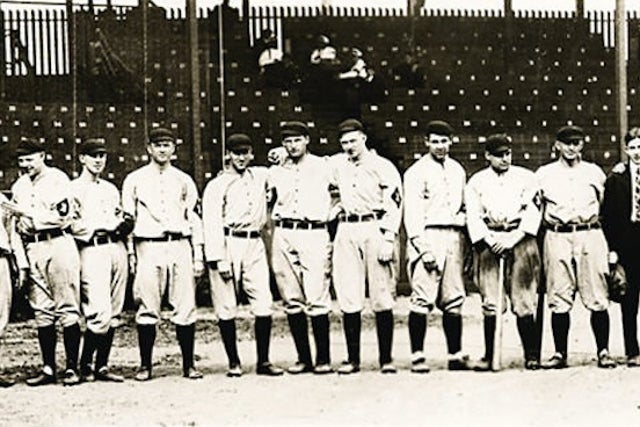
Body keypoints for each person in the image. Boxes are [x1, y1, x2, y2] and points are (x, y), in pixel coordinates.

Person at [121, 128, 205, 381]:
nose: (162, 149)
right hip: (148, 245)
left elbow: (194, 219)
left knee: (185, 306)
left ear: (174, 149)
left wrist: (198, 255)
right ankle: (145, 365)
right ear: (149, 148)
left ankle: (189, 365)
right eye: (157, 145)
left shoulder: (183, 179)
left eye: (167, 145)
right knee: (148, 307)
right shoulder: (134, 179)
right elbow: (128, 219)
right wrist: (131, 255)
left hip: (179, 244)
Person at [202, 133, 284, 377]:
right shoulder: (217, 185)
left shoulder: (259, 175)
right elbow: (211, 223)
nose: (241, 157)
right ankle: (234, 362)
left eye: (246, 152)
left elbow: (283, 165)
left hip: (254, 241)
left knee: (263, 302)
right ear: (228, 155)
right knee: (226, 305)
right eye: (236, 153)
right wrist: (218, 258)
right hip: (228, 242)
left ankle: (264, 361)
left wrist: (279, 150)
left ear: (251, 154)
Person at [536, 125, 616, 369]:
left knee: (597, 295)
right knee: (559, 295)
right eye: (566, 143)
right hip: (558, 234)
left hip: (589, 233)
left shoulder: (594, 172)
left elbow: (605, 206)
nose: (571, 148)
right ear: (557, 145)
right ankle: (560, 353)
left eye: (576, 142)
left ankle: (603, 351)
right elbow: (537, 208)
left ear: (582, 145)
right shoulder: (544, 173)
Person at [329, 119, 402, 374]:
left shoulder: (382, 166)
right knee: (349, 295)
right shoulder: (337, 165)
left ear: (363, 138)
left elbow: (394, 203)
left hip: (374, 227)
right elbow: (315, 170)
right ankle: (352, 359)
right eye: (344, 142)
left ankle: (386, 359)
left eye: (353, 140)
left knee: (381, 295)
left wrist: (389, 237)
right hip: (347, 228)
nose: (349, 146)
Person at [8, 137, 82, 386]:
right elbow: (16, 225)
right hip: (33, 246)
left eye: (29, 159)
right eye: (21, 160)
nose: (25, 164)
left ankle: (72, 368)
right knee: (42, 309)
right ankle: (49, 368)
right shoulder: (19, 185)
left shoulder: (58, 179)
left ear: (42, 156)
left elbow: (62, 217)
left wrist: (25, 213)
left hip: (58, 243)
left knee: (67, 306)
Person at [465, 134, 542, 371]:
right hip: (490, 242)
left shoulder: (526, 178)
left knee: (524, 300)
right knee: (491, 301)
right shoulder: (477, 181)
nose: (504, 159)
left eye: (507, 153)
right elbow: (473, 215)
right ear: (487, 156)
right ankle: (491, 355)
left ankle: (531, 355)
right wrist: (489, 239)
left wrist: (513, 238)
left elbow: (533, 211)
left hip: (520, 240)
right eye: (498, 155)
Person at [403, 120, 471, 373]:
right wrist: (423, 248)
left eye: (444, 141)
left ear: (451, 142)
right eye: (435, 141)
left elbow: (463, 207)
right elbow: (412, 215)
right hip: (429, 235)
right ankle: (418, 356)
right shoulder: (416, 172)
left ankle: (455, 355)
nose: (440, 146)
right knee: (422, 297)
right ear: (426, 142)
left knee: (454, 298)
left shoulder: (457, 170)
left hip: (454, 235)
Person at [267, 121, 334, 375]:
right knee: (291, 299)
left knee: (317, 296)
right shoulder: (276, 170)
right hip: (284, 232)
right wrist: (278, 155)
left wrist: (333, 212)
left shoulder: (324, 165)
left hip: (314, 232)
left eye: (297, 140)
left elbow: (346, 182)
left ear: (307, 139)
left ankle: (323, 359)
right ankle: (303, 358)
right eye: (287, 141)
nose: (292, 145)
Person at [71, 139, 132, 382]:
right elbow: (71, 224)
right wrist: (93, 230)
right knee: (99, 310)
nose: (98, 160)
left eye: (102, 155)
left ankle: (102, 366)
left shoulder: (109, 188)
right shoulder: (73, 188)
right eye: (93, 155)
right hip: (91, 247)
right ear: (82, 159)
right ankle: (85, 364)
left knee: (115, 309)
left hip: (116, 247)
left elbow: (121, 218)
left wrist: (124, 233)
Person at [601, 127, 640, 367]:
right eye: (634, 148)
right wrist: (613, 248)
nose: (638, 152)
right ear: (626, 150)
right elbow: (610, 216)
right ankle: (632, 349)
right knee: (630, 299)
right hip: (629, 242)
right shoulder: (616, 178)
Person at [0, 189, 28, 387]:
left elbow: (12, 234)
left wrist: (21, 264)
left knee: (1, 314)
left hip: (1, 258)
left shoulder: (1, 201)